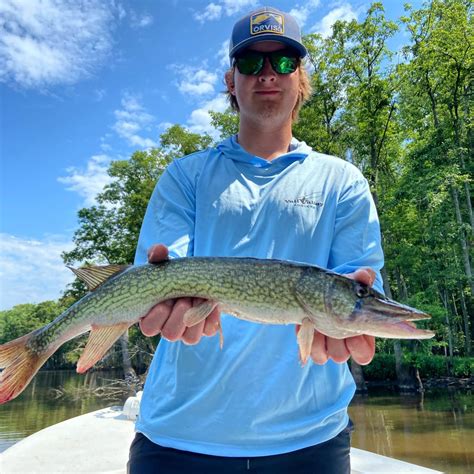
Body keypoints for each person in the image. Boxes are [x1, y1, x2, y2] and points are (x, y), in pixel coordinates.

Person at [128, 6, 384, 473]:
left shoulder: (343, 180)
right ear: (232, 81)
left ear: (300, 78)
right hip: (177, 438)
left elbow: (358, 284)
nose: (268, 74)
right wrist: (169, 303)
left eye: (284, 61)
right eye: (251, 63)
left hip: (311, 441)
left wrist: (356, 328)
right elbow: (167, 277)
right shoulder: (185, 175)